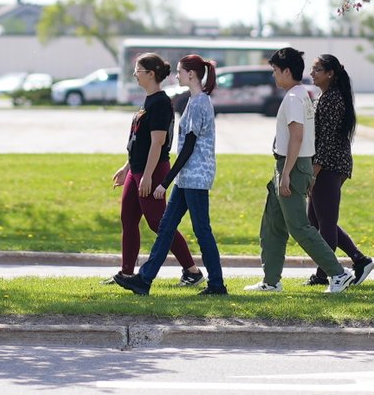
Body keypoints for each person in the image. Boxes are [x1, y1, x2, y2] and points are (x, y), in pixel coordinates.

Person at [113, 54, 227, 296]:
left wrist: (164, 181)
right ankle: (143, 280)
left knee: (202, 230)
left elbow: (188, 148)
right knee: (165, 228)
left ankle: (216, 284)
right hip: (186, 178)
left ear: (191, 74)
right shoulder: (193, 101)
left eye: (180, 71)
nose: (176, 75)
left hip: (196, 178)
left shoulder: (198, 104)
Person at [245, 46, 353, 294]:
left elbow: (297, 137)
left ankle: (338, 273)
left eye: (274, 71)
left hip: (291, 166)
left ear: (285, 71)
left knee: (299, 226)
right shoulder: (301, 94)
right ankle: (271, 281)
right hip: (286, 165)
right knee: (272, 224)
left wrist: (285, 174)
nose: (273, 75)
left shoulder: (294, 97)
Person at [305, 54, 374, 287]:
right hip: (328, 164)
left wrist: (314, 172)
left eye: (317, 70)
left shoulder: (333, 99)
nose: (312, 74)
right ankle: (359, 259)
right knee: (316, 220)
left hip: (330, 165)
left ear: (330, 74)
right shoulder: (325, 97)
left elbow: (325, 141)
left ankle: (326, 274)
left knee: (324, 222)